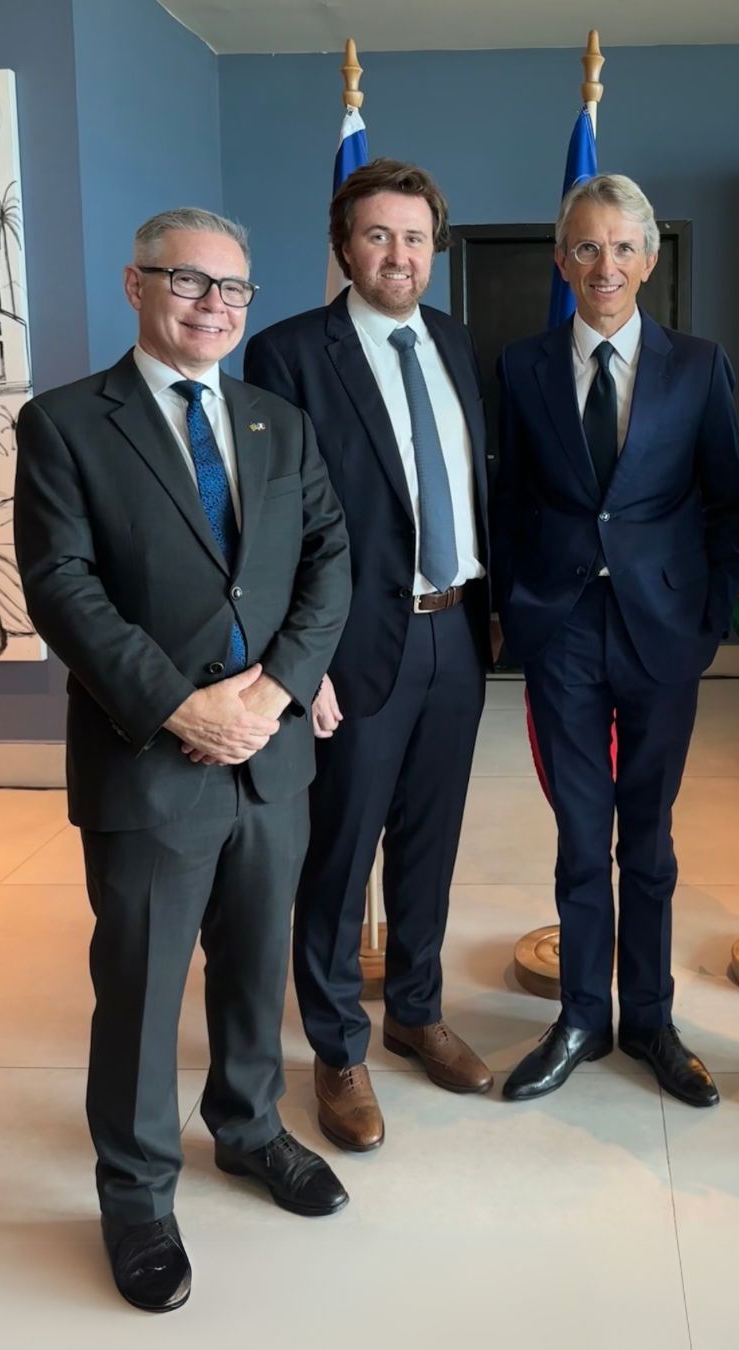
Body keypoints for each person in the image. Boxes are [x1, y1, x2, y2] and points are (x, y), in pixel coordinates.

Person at [13, 208, 353, 1312]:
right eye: (190, 281)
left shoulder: (276, 421)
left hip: (270, 755)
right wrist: (176, 707)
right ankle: (136, 1194)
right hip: (149, 759)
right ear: (136, 285)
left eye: (234, 288)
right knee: (143, 986)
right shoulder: (66, 423)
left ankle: (249, 1130)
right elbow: (61, 586)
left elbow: (328, 558)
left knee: (255, 965)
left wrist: (280, 687)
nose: (215, 305)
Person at [244, 159, 493, 1153]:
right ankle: (337, 1047)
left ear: (436, 249)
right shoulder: (289, 353)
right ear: (344, 247)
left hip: (455, 633)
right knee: (340, 853)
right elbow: (272, 525)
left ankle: (417, 1012)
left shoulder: (456, 342)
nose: (399, 254)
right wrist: (300, 664)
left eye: (415, 238)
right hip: (349, 648)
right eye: (378, 235)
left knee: (431, 841)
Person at [494, 174, 739, 1105]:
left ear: (648, 260)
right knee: (579, 836)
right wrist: (516, 605)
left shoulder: (699, 365)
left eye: (622, 248)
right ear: (562, 261)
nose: (605, 265)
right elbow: (507, 498)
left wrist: (708, 618)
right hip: (561, 628)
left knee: (648, 838)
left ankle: (649, 1017)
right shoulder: (520, 365)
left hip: (663, 633)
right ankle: (580, 1018)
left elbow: (726, 503)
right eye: (587, 247)